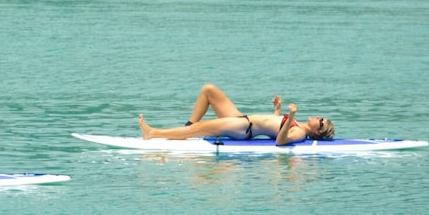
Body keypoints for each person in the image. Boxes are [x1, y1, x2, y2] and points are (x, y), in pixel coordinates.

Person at [137, 83, 335, 145]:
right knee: (209, 90)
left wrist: (290, 116)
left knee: (200, 128)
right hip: (242, 119)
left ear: (317, 132)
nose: (319, 118)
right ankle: (187, 130)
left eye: (322, 122)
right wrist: (278, 109)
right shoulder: (297, 125)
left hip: (243, 128)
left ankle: (152, 133)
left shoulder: (300, 134)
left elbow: (280, 142)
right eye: (322, 118)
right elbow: (274, 126)